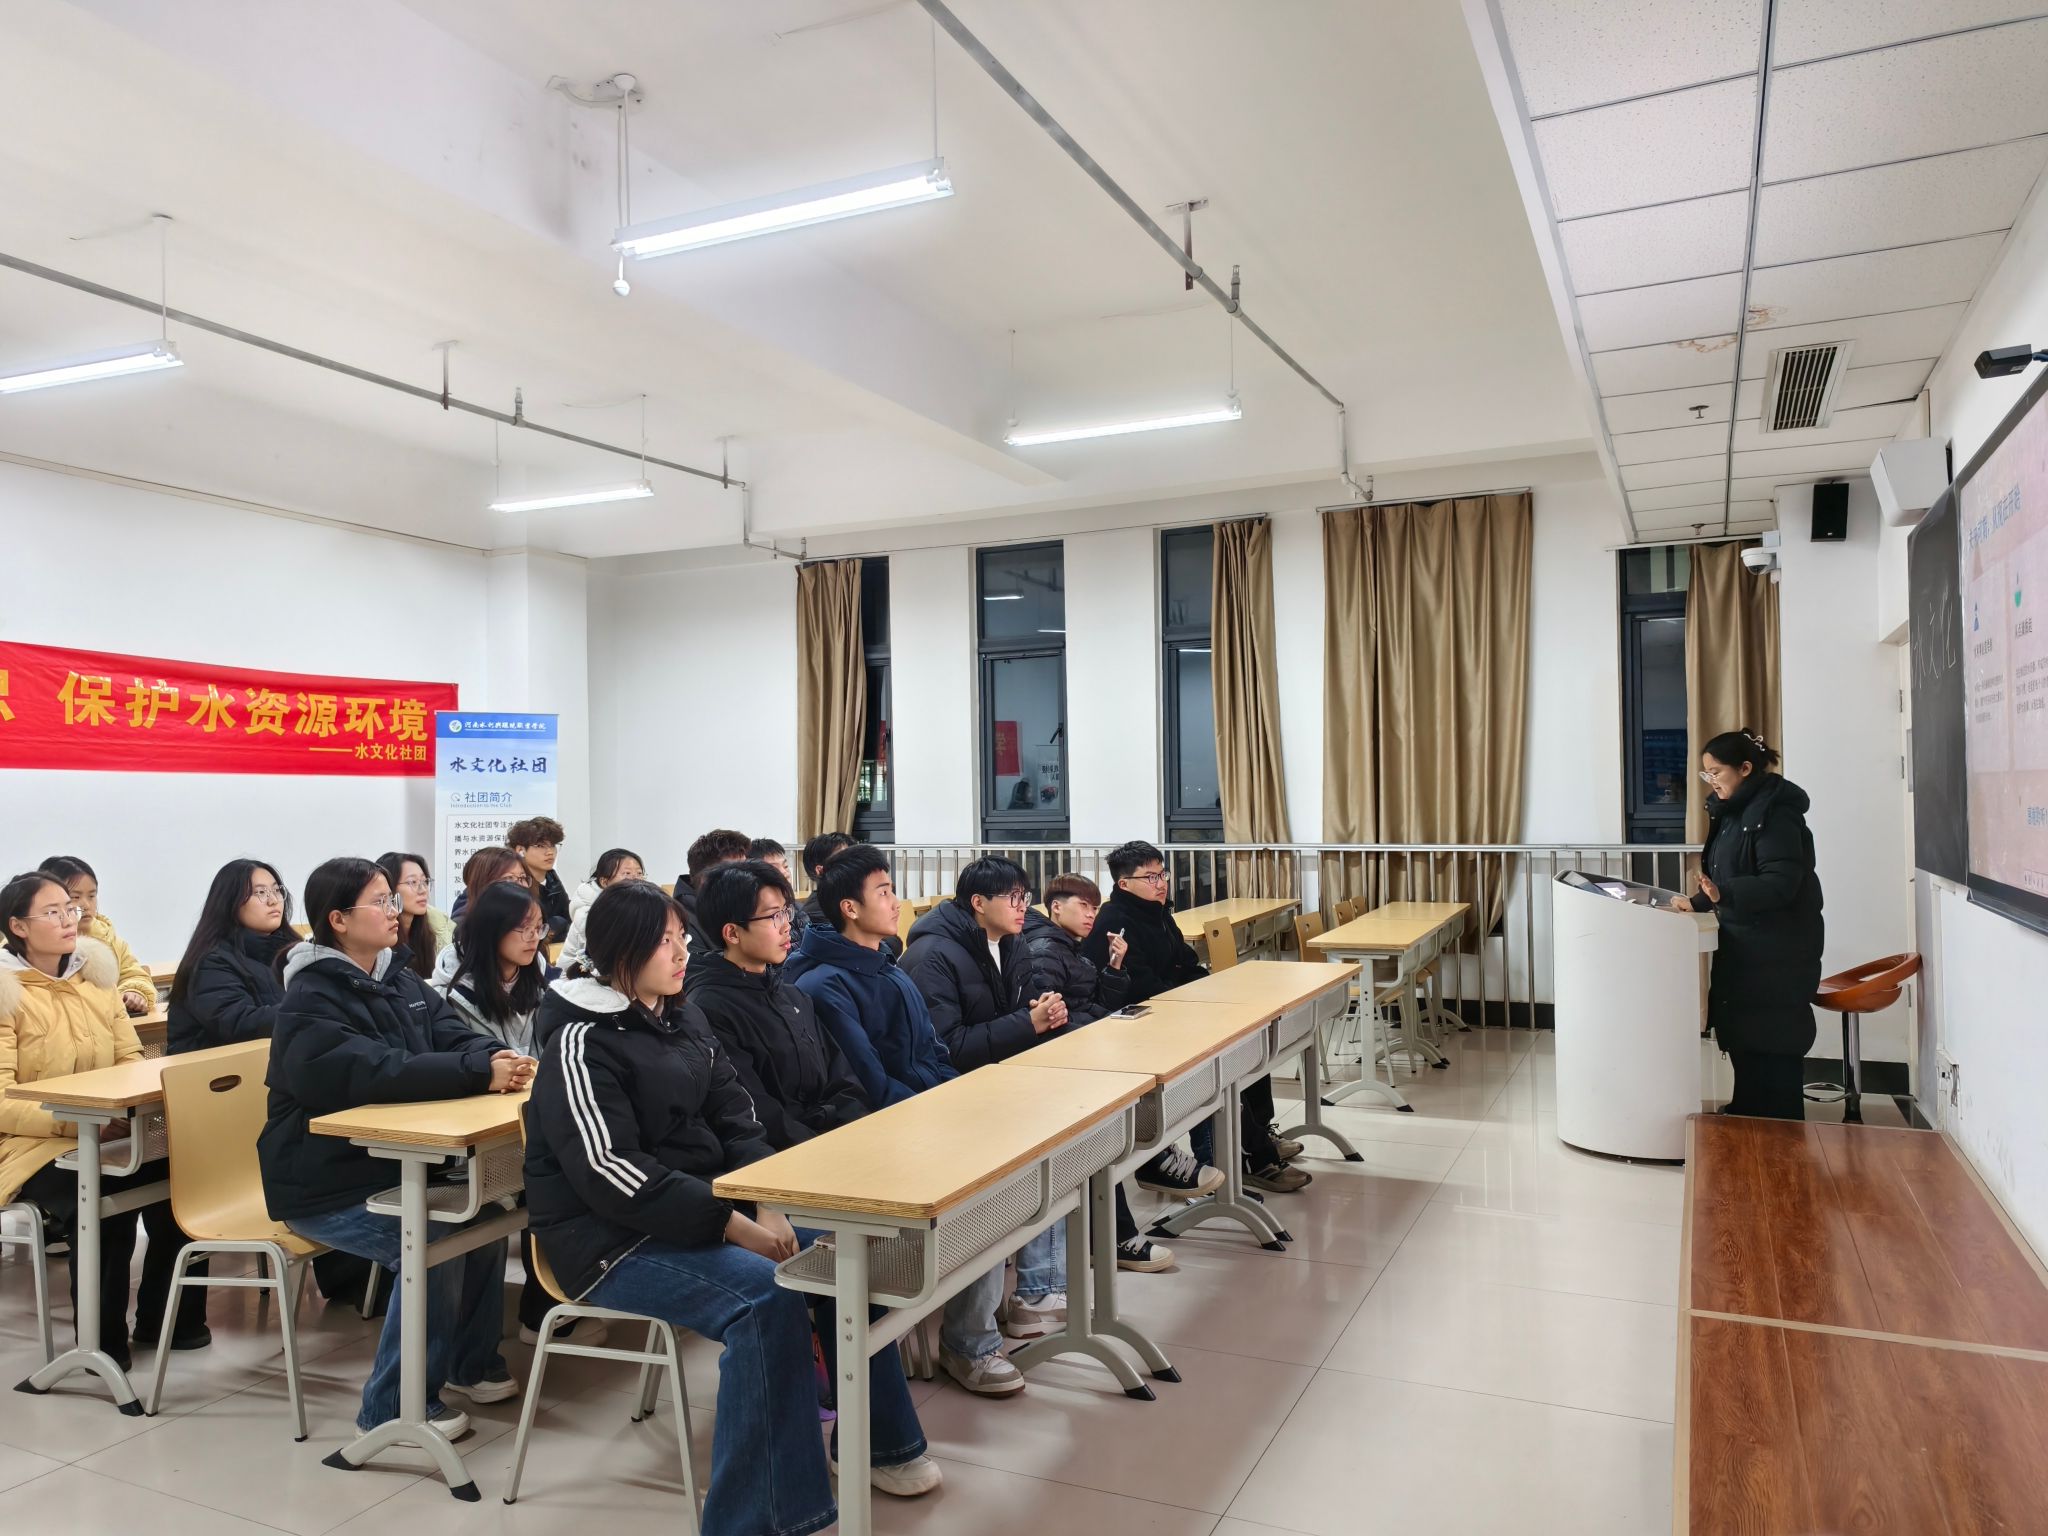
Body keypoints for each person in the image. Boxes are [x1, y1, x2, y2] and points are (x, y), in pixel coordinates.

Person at [526, 880, 940, 1532]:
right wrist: (732, 1224)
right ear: (620, 952)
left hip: (701, 1210)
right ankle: (755, 1519)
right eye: (663, 942)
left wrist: (765, 1201)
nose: (680, 952)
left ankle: (879, 1444)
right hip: (608, 1239)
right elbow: (612, 1173)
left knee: (847, 1251)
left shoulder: (682, 1016)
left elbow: (737, 1118)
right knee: (766, 1297)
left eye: (680, 937)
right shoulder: (580, 1041)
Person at [259, 857, 533, 1444]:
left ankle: (469, 1364)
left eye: (393, 898)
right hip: (323, 1183)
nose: (395, 910)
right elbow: (375, 1070)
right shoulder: (310, 996)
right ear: (338, 919)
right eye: (381, 901)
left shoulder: (397, 976)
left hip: (392, 1167)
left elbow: (449, 1032)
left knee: (485, 1216)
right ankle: (391, 1406)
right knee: (430, 1238)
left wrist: (492, 1057)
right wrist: (473, 1072)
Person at [783, 847, 1021, 1397]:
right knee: (985, 1180)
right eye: (885, 892)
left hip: (924, 1112)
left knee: (1016, 1149)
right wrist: (947, 1120)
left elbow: (934, 1052)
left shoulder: (889, 966)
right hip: (880, 1131)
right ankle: (970, 1343)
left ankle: (1011, 1301)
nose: (897, 902)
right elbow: (869, 1084)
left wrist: (964, 1101)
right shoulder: (824, 984)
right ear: (849, 907)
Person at [1, 871, 185, 1367]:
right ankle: (102, 1347)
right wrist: (79, 1122)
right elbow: (1, 1100)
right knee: (103, 1196)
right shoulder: (5, 994)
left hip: (105, 1129)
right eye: (54, 911)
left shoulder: (96, 977)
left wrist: (121, 1111)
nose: (71, 918)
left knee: (182, 1172)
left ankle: (168, 1321)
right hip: (28, 1144)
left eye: (72, 908)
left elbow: (130, 1057)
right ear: (18, 926)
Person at [903, 858, 1070, 1341]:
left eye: (1025, 897)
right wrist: (1027, 1024)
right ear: (978, 903)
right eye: (1013, 898)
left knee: (1060, 1136)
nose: (1024, 908)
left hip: (1002, 1085)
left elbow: (1023, 1008)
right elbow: (948, 1047)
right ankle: (981, 1329)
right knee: (1009, 1169)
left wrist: (1046, 1012)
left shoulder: (1011, 944)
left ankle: (1038, 1290)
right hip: (953, 1097)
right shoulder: (932, 956)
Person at [1084, 841, 1306, 1195]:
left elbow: (1185, 963)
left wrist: (1211, 991)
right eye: (1150, 877)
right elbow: (1138, 986)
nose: (1161, 883)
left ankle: (1259, 1137)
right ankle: (1245, 1158)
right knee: (1219, 1059)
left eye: (1163, 874)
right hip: (1138, 1024)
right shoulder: (1115, 921)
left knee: (1249, 1034)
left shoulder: (1159, 913)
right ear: (1124, 884)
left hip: (1174, 1011)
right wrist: (1191, 1002)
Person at [435, 879, 597, 1347]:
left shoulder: (540, 983)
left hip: (529, 1116)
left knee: (571, 1169)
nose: (533, 938)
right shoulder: (453, 996)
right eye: (522, 928)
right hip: (480, 1134)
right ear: (491, 931)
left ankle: (552, 1303)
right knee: (555, 1179)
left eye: (538, 927)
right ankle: (542, 1313)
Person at [1671, 730, 1825, 1120]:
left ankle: (1778, 1135)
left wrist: (1722, 894)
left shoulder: (1775, 814)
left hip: (1779, 948)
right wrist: (1699, 900)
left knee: (1773, 1041)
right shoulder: (1733, 812)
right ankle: (1747, 1116)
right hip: (1747, 944)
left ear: (1744, 768)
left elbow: (1781, 882)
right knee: (1745, 1037)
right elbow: (1726, 875)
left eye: (1716, 772)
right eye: (1706, 774)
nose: (1711, 781)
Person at [1027, 873, 1173, 1274]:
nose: (1092, 915)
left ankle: (1159, 1158)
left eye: (1094, 907)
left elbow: (1091, 1003)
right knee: (1099, 1137)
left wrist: (1114, 967)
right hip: (1061, 1069)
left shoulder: (1069, 947)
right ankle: (1115, 1231)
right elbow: (1056, 1022)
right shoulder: (1045, 952)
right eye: (1083, 906)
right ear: (1057, 907)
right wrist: (1100, 1026)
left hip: (1081, 1054)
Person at [688, 860, 867, 1150]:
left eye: (786, 911)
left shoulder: (792, 996)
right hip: (789, 1153)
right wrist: (826, 1148)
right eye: (773, 916)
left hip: (835, 1138)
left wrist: (857, 1130)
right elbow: (759, 1112)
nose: (787, 926)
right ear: (732, 933)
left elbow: (843, 1077)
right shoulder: (709, 1009)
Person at [37, 856, 153, 1016]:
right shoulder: (29, 944)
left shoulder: (109, 938)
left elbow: (133, 974)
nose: (86, 905)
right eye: (75, 897)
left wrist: (133, 992)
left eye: (91, 896)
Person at [436, 846, 534, 984]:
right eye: (509, 878)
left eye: (522, 878)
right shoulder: (465, 928)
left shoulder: (530, 922)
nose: (521, 886)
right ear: (482, 884)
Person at [559, 847, 644, 974]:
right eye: (627, 874)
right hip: (574, 979)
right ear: (604, 882)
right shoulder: (588, 912)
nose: (636, 879)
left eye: (639, 873)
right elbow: (607, 958)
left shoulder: (631, 904)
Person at [673, 829, 751, 963]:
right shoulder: (680, 921)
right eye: (737, 873)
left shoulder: (735, 902)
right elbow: (698, 969)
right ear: (707, 880)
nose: (748, 878)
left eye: (747, 870)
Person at [376, 851, 447, 981]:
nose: (423, 890)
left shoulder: (435, 931)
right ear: (389, 887)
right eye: (412, 882)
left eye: (425, 881)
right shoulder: (378, 940)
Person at [509, 817, 571, 942]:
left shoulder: (552, 878)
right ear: (520, 850)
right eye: (540, 846)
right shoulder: (512, 883)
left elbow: (568, 917)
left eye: (552, 845)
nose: (550, 852)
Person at [746, 838, 806, 940]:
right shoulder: (753, 914)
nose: (785, 873)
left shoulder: (797, 908)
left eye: (785, 866)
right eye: (774, 869)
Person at [798, 832, 855, 933]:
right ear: (821, 871)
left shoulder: (854, 897)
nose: (854, 865)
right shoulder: (816, 913)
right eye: (844, 860)